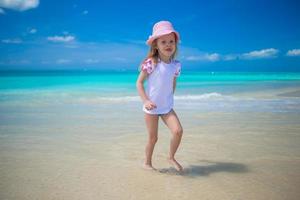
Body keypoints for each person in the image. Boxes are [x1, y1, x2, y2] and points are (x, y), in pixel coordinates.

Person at [136, 21, 183, 172]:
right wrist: (146, 101)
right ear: (156, 45)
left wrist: (169, 98)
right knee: (153, 138)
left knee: (178, 131)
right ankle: (147, 163)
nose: (168, 44)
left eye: (171, 41)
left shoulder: (176, 65)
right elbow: (139, 83)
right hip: (151, 108)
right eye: (163, 42)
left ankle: (171, 156)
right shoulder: (151, 63)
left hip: (166, 107)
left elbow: (172, 84)